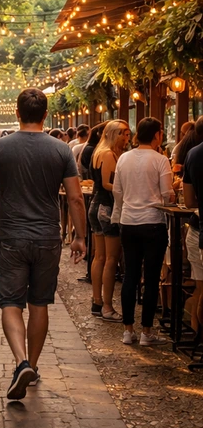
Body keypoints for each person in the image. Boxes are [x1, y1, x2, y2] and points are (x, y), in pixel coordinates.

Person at [0, 88, 86, 401]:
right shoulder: (61, 150)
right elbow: (76, 197)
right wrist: (80, 236)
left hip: (12, 236)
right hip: (47, 237)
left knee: (11, 302)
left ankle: (21, 361)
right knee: (40, 303)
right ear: (46, 115)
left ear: (17, 113)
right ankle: (33, 366)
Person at [113, 116, 175, 346]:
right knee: (150, 278)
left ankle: (128, 330)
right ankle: (146, 331)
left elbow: (117, 191)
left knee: (130, 275)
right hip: (153, 223)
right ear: (157, 135)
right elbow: (167, 194)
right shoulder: (160, 160)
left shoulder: (124, 158)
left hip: (129, 222)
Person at [88, 120, 130, 322]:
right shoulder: (108, 154)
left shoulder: (99, 152)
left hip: (96, 206)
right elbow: (108, 183)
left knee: (100, 257)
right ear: (113, 134)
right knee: (110, 259)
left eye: (128, 134)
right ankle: (107, 306)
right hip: (107, 208)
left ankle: (97, 301)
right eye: (123, 133)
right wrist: (127, 189)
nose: (127, 138)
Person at [177, 116, 203, 337]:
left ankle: (197, 334)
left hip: (197, 229)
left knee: (200, 288)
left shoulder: (193, 155)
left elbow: (188, 201)